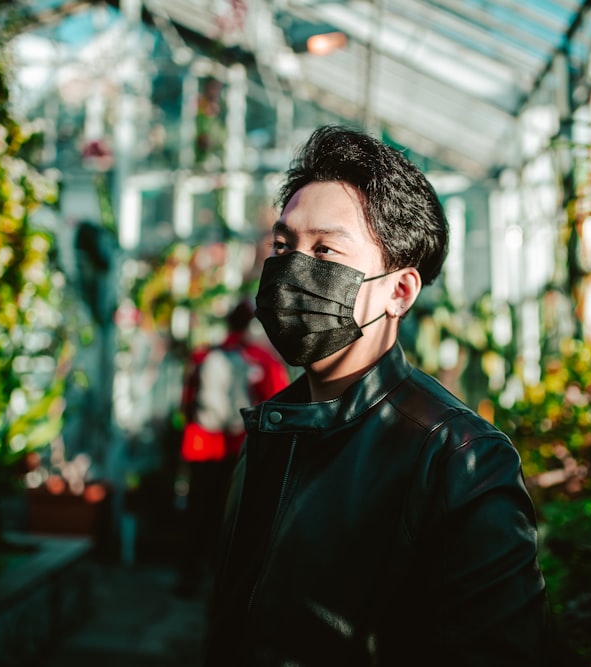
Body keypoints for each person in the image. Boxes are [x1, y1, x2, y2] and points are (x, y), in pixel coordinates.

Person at [203, 125, 547, 665]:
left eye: (326, 250)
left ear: (398, 291)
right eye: (283, 244)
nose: (293, 269)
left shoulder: (459, 460)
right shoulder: (273, 428)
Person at [176, 299, 289, 595]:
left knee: (198, 510)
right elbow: (277, 404)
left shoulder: (204, 355)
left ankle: (189, 576)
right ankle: (224, 579)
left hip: (202, 445)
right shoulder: (261, 360)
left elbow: (186, 403)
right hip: (240, 448)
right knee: (234, 514)